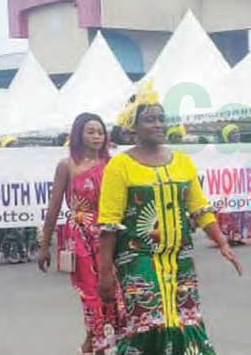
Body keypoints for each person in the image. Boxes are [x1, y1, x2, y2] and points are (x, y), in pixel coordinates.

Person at [97, 83, 242, 355]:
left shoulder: (183, 162)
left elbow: (200, 208)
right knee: (149, 324)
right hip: (137, 258)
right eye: (149, 119)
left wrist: (222, 242)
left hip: (180, 257)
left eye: (161, 118)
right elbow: (108, 225)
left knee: (185, 319)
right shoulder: (120, 166)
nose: (158, 124)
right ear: (133, 127)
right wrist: (105, 273)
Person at [38, 113, 123, 355]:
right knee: (92, 294)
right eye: (91, 131)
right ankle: (99, 344)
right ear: (79, 134)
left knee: (115, 293)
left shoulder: (113, 164)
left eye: (100, 132)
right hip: (82, 239)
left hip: (111, 236)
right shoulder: (67, 166)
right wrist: (44, 246)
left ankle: (97, 343)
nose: (97, 136)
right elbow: (53, 207)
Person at [0, 136, 39, 264]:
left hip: (26, 196)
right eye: (12, 146)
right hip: (10, 197)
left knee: (28, 224)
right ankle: (11, 252)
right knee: (12, 226)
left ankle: (27, 251)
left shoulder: (26, 163)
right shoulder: (2, 165)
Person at [215, 124, 251, 246]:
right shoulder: (222, 151)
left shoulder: (244, 148)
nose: (237, 135)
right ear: (227, 136)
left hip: (242, 182)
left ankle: (241, 235)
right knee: (230, 210)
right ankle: (230, 235)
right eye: (233, 133)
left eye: (238, 132)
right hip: (229, 183)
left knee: (243, 210)